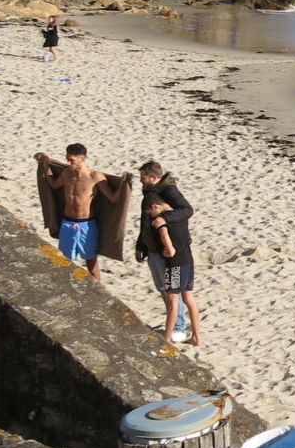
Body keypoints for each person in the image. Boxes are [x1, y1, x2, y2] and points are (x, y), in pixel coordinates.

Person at [35, 144, 131, 278]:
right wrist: (45, 165)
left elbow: (113, 198)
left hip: (87, 225)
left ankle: (99, 295)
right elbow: (53, 185)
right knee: (65, 262)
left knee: (91, 264)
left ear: (82, 159)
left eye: (71, 160)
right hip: (67, 223)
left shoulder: (95, 177)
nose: (68, 163)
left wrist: (125, 183)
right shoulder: (66, 173)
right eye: (67, 159)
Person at [134, 160, 194, 341]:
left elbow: (187, 210)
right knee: (163, 289)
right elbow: (145, 222)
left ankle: (179, 327)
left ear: (153, 178)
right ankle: (173, 322)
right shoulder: (150, 191)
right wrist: (140, 245)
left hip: (169, 253)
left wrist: (165, 218)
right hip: (153, 248)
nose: (141, 181)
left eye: (143, 178)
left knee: (173, 292)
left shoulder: (168, 191)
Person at [143, 176, 201, 347]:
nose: (152, 218)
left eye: (151, 214)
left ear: (155, 207)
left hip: (175, 265)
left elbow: (170, 250)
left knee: (173, 302)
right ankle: (197, 337)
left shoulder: (162, 224)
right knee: (189, 298)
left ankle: (168, 337)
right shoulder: (180, 216)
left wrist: (165, 250)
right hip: (188, 260)